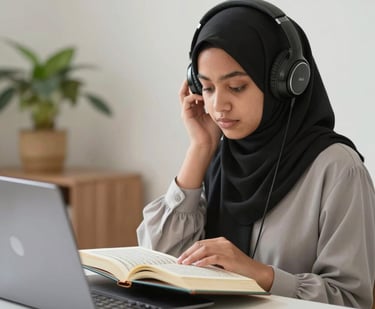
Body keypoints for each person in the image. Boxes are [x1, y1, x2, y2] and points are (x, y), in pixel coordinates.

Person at [137, 0, 375, 308]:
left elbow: (351, 299)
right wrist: (200, 149)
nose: (218, 105)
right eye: (207, 88)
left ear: (285, 83)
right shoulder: (219, 158)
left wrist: (260, 275)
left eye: (236, 87)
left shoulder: (339, 170)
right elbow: (159, 263)